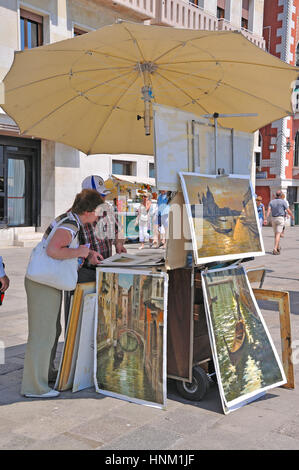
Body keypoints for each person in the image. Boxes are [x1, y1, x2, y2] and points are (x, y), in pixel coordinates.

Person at [21, 189, 104, 398]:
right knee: (43, 335)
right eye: (97, 212)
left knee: (52, 331)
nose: (98, 216)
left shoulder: (69, 218)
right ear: (88, 211)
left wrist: (87, 254)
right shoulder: (71, 224)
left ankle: (45, 374)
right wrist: (79, 252)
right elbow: (53, 250)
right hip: (43, 284)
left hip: (45, 283)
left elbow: (61, 247)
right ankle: (34, 387)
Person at [78, 176, 127, 283]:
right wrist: (89, 254)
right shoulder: (75, 215)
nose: (103, 199)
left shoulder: (107, 209)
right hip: (84, 272)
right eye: (99, 196)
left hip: (106, 268)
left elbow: (119, 231)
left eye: (104, 195)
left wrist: (119, 243)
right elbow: (69, 249)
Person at [266, 190, 294, 255]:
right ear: (281, 195)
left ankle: (278, 247)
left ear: (276, 195)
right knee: (278, 234)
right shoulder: (283, 202)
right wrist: (292, 216)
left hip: (273, 219)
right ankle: (275, 249)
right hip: (280, 218)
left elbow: (269, 210)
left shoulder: (271, 202)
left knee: (276, 234)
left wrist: (266, 219)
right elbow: (288, 210)